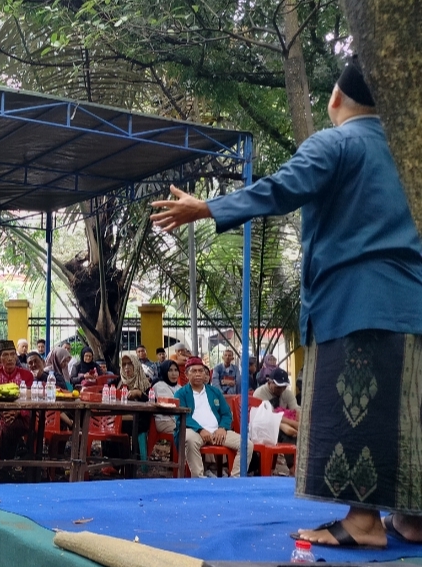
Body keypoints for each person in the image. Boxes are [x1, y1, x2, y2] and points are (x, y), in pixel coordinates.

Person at [151, 56, 422, 547]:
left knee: (357, 411)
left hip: (356, 304)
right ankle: (413, 518)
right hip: (413, 304)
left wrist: (208, 206)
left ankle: (362, 522)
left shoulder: (337, 141)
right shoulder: (410, 153)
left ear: (335, 99)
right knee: (408, 414)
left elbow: (282, 189)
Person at [175, 357, 252, 478]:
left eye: (201, 371)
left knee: (247, 444)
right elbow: (183, 416)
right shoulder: (181, 393)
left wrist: (222, 428)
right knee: (189, 439)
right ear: (186, 374)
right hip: (195, 432)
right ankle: (198, 479)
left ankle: (235, 480)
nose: (198, 374)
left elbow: (226, 414)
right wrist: (200, 430)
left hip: (218, 432)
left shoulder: (214, 391)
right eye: (194, 371)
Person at [0, 340, 35, 460]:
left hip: (24, 417)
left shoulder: (27, 375)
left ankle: (3, 464)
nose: (10, 358)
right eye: (5, 355)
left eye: (12, 354)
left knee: (6, 425)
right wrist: (3, 412)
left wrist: (17, 412)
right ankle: (18, 447)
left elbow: (31, 401)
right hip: (0, 414)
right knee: (5, 423)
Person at [254, 368, 301, 443]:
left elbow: (296, 409)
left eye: (284, 387)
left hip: (283, 424)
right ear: (269, 382)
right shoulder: (260, 393)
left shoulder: (287, 393)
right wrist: (293, 423)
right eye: (278, 387)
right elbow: (270, 416)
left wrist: (301, 420)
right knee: (288, 437)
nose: (282, 390)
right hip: (266, 427)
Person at [151, 360, 181, 434]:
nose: (174, 373)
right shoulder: (159, 385)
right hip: (165, 421)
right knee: (186, 435)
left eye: (176, 370)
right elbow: (170, 404)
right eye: (170, 370)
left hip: (179, 420)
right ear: (164, 371)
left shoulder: (179, 387)